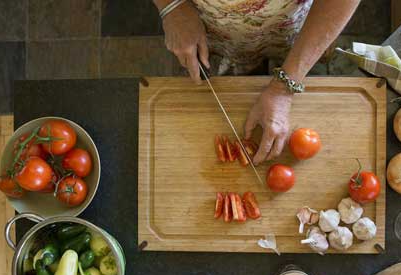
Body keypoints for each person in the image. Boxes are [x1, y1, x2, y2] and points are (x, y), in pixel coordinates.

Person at [153, 0, 361, 164]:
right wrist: (172, 6)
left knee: (294, 48)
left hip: (291, 18)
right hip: (211, 19)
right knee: (226, 53)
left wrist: (284, 86)